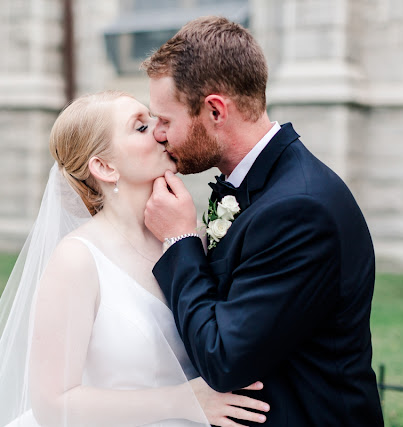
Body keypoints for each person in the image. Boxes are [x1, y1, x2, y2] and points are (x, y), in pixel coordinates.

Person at [0, 91, 270, 427]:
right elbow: (54, 405)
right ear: (104, 166)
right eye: (141, 127)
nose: (161, 132)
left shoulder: (190, 239)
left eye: (156, 121)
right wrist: (185, 401)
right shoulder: (78, 260)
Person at [142, 16, 384, 426]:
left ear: (215, 110)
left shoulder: (300, 211)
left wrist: (180, 239)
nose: (159, 135)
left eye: (166, 120)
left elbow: (224, 360)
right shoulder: (261, 185)